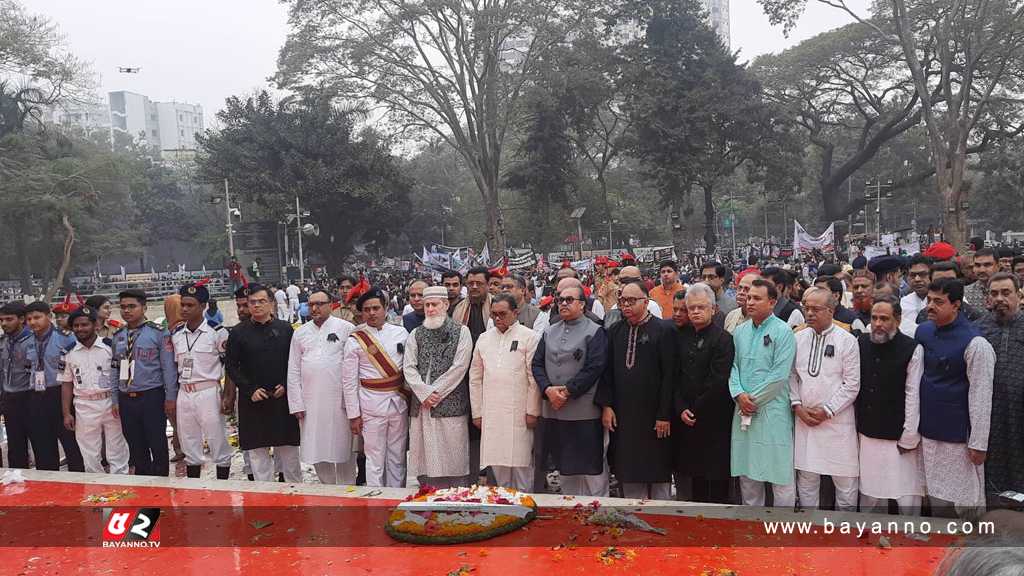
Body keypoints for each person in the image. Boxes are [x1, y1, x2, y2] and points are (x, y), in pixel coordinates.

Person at [915, 278, 995, 516]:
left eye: (938, 302)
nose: (930, 306)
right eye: (929, 300)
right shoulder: (924, 332)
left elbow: (981, 395)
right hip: (928, 432)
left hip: (959, 438)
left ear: (956, 305)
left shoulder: (976, 343)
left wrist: (978, 444)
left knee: (964, 503)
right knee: (935, 500)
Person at [597, 282, 675, 500]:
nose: (626, 305)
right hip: (624, 416)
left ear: (646, 301)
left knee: (658, 473)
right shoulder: (615, 331)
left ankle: (663, 517)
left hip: (655, 417)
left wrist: (664, 414)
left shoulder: (664, 330)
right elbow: (607, 372)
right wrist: (607, 406)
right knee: (628, 472)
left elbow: (670, 376)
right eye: (623, 301)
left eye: (632, 301)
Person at [532, 284, 609, 496]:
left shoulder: (595, 330)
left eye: (569, 300)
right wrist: (547, 390)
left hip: (583, 411)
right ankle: (570, 512)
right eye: (560, 300)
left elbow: (595, 367)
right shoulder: (549, 331)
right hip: (555, 411)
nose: (563, 303)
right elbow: (537, 364)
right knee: (565, 467)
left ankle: (599, 511)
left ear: (582, 305)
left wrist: (566, 392)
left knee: (592, 469)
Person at [789, 287, 861, 510]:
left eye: (815, 309)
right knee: (807, 481)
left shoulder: (847, 340)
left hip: (837, 422)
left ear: (830, 311)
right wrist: (797, 405)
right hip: (805, 420)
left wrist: (828, 410)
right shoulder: (797, 338)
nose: (809, 313)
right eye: (806, 308)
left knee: (846, 484)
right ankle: (809, 533)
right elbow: (791, 376)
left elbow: (852, 384)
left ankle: (845, 535)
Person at [729, 279, 798, 507]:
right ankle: (753, 526)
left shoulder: (783, 331)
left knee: (780, 474)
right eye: (748, 297)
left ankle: (783, 529)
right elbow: (732, 367)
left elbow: (779, 375)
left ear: (772, 302)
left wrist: (753, 400)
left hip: (772, 412)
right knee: (748, 473)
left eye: (757, 298)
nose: (750, 302)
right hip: (742, 408)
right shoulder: (739, 331)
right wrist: (739, 395)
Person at [855, 295, 925, 515]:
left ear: (898, 319)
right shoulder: (862, 343)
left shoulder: (912, 348)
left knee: (905, 491)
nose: (878, 324)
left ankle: (911, 536)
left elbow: (913, 394)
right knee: (870, 490)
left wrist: (910, 435)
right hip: (868, 431)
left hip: (900, 433)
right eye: (874, 318)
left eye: (884, 319)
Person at [225, 284, 302, 482]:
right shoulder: (238, 332)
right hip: (253, 400)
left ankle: (296, 497)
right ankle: (264, 498)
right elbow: (232, 366)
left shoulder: (285, 329)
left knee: (289, 454)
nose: (257, 306)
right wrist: (249, 389)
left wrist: (286, 384)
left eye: (262, 301)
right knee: (258, 456)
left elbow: (294, 362)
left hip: (282, 399)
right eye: (252, 302)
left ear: (272, 304)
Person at [469, 293, 541, 491]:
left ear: (515, 313)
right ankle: (505, 510)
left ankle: (525, 508)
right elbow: (475, 378)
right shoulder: (484, 339)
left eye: (503, 314)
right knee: (498, 466)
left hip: (519, 413)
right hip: (492, 413)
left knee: (521, 466)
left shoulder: (530, 337)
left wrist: (533, 411)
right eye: (494, 315)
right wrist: (477, 413)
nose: (498, 318)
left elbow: (533, 378)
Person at [404, 286, 474, 488]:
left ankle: (455, 493)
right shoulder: (416, 334)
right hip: (423, 404)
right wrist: (424, 393)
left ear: (446, 304)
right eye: (427, 305)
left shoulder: (462, 332)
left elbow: (460, 367)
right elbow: (408, 367)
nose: (430, 309)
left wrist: (435, 393)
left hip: (449, 402)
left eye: (434, 304)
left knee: (452, 453)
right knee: (425, 456)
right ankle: (427, 490)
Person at [287, 289, 358, 485]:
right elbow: (293, 370)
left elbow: (355, 367)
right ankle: (327, 489)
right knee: (316, 448)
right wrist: (296, 404)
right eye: (311, 304)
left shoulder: (346, 328)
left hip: (340, 400)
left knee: (343, 449)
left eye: (319, 303)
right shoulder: (300, 333)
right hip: (311, 402)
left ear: (331, 304)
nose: (315, 308)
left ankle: (347, 490)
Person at [674, 283, 735, 503]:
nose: (696, 312)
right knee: (695, 477)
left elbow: (718, 380)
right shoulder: (680, 336)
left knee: (716, 478)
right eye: (692, 308)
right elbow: (675, 376)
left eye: (701, 307)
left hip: (714, 417)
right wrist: (681, 407)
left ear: (713, 309)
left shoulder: (723, 339)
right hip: (686, 417)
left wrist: (695, 408)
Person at [343, 287, 410, 487]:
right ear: (361, 313)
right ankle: (376, 502)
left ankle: (396, 498)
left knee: (397, 455)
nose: (372, 313)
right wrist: (354, 414)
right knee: (374, 457)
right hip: (370, 405)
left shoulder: (401, 332)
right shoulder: (355, 339)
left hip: (399, 401)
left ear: (385, 309)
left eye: (376, 308)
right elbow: (348, 381)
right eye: (367, 309)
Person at [110, 289, 177, 477]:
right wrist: (115, 399)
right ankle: (144, 486)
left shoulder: (158, 334)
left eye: (132, 306)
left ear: (144, 307)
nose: (127, 311)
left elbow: (168, 369)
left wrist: (170, 398)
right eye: (123, 307)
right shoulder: (119, 336)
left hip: (151, 396)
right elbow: (115, 369)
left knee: (157, 443)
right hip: (126, 398)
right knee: (135, 446)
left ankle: (162, 484)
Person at [171, 283, 233, 479]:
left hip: (208, 391)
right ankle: (194, 486)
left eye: (190, 305)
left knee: (217, 438)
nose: (185, 309)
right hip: (184, 392)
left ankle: (223, 485)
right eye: (183, 305)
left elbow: (230, 366)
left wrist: (228, 395)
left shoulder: (217, 332)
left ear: (203, 306)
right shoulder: (177, 334)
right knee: (188, 439)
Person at [59, 306, 130, 474]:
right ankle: (96, 488)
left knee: (117, 448)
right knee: (89, 452)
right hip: (84, 405)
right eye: (76, 326)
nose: (80, 329)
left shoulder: (109, 347)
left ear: (95, 325)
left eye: (84, 324)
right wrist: (66, 413)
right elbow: (66, 384)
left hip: (110, 403)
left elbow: (123, 376)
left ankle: (121, 486)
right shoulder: (67, 352)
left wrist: (120, 402)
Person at [977, 272, 1024, 505]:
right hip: (989, 416)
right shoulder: (978, 330)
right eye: (994, 293)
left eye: (1006, 293)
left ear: (1019, 295)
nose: (999, 298)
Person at [25, 301, 84, 472]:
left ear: (48, 317)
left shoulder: (66, 338)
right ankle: (48, 481)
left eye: (37, 317)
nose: (33, 322)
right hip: (36, 395)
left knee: (70, 442)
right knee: (42, 443)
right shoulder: (27, 340)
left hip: (60, 394)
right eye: (29, 319)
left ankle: (77, 481)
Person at [1, 302, 54, 469]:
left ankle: (48, 482)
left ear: (21, 319)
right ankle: (18, 483)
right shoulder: (3, 342)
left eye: (9, 319)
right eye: (1, 320)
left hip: (31, 397)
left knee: (41, 444)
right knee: (15, 445)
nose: (4, 324)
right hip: (10, 398)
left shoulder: (34, 340)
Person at [452, 266, 492, 483]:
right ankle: (471, 474)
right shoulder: (458, 310)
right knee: (470, 427)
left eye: (479, 283)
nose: (474, 287)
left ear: (487, 285)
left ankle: (491, 474)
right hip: (465, 377)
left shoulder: (497, 307)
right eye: (471, 283)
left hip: (492, 378)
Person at [899, 255, 932, 337]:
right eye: (913, 275)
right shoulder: (902, 303)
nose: (917, 279)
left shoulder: (948, 299)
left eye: (922, 274)